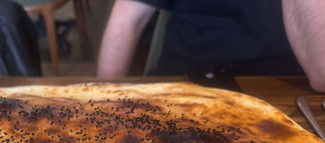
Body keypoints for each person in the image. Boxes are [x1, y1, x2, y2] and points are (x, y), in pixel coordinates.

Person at [97, 0, 325, 92]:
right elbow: (128, 18)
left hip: (278, 85)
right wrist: (103, 96)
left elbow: (321, 75)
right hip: (182, 79)